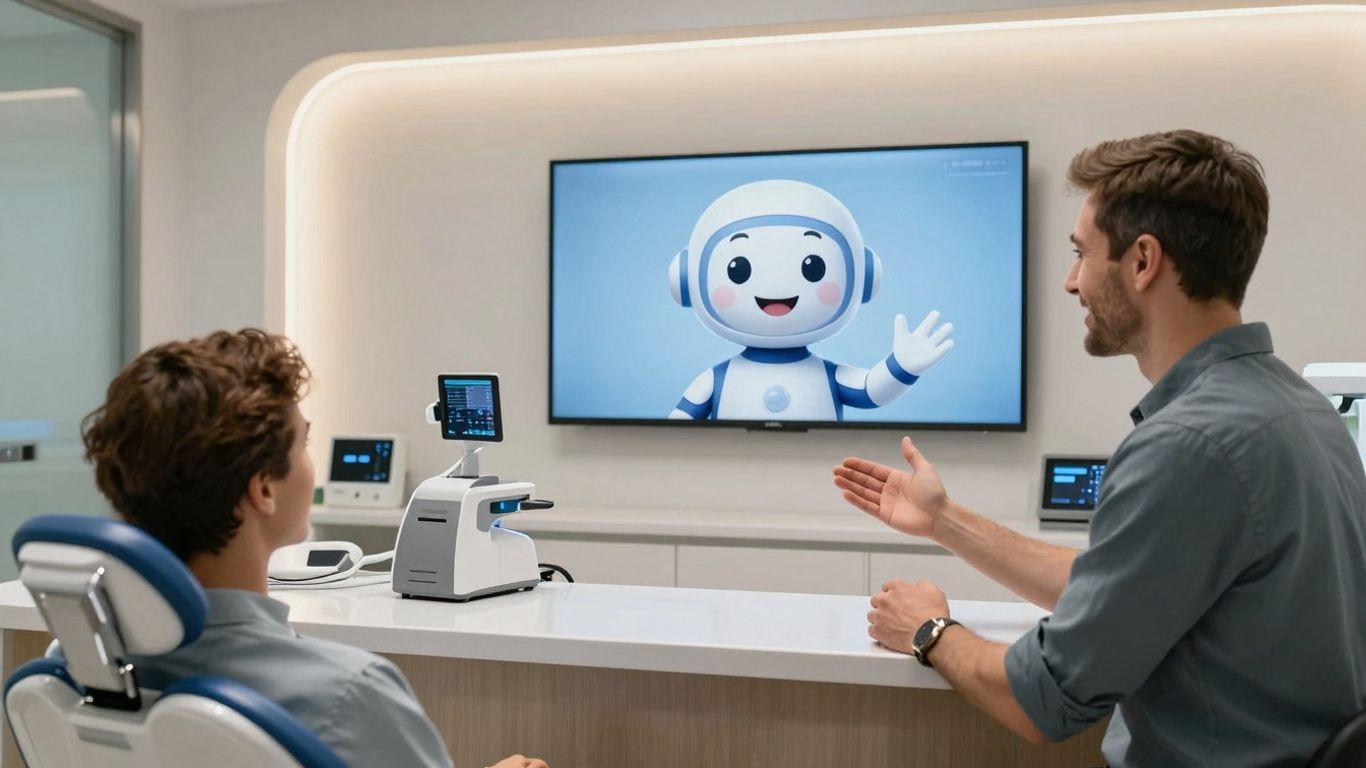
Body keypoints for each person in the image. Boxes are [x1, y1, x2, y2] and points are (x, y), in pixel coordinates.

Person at [833, 129, 1366, 767]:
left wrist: (928, 631)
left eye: (1081, 254)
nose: (1069, 282)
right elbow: (1118, 592)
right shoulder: (1305, 410)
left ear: (1143, 261)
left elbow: (1041, 700)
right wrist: (945, 520)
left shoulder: (1187, 445)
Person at [81, 328, 547, 768]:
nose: (311, 464)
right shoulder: (347, 695)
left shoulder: (78, 667)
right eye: (304, 443)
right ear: (264, 489)